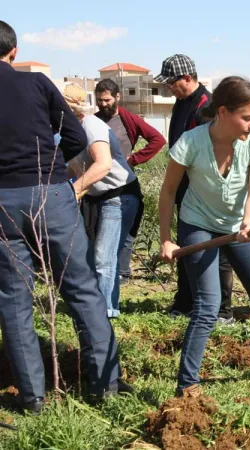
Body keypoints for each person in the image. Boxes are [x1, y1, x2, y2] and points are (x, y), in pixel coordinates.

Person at [0, 20, 126, 413]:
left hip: (2, 201)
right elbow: (75, 137)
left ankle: (34, 398)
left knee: (14, 298)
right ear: (14, 51)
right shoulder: (37, 84)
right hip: (52, 194)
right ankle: (104, 387)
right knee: (82, 287)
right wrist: (53, 168)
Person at [158, 76, 250, 396]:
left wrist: (248, 222)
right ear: (223, 112)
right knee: (208, 304)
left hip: (240, 225)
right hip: (197, 223)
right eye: (248, 117)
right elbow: (168, 191)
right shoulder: (191, 142)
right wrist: (166, 239)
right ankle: (188, 384)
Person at [154, 54, 235, 324]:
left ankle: (222, 311)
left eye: (171, 83)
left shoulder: (206, 106)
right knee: (187, 246)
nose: (168, 88)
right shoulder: (182, 103)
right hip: (185, 190)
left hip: (204, 192)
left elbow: (214, 152)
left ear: (187, 78)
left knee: (217, 248)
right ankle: (186, 302)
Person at [65, 83, 142, 318]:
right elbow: (72, 167)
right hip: (96, 198)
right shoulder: (69, 130)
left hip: (119, 196)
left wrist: (74, 191)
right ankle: (94, 308)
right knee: (89, 256)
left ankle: (106, 312)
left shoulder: (90, 126)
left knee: (104, 257)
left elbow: (103, 164)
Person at [95, 78, 166, 285]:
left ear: (117, 97)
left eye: (107, 99)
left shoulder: (129, 119)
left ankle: (122, 273)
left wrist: (133, 160)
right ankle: (108, 271)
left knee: (125, 229)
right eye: (99, 100)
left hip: (124, 183)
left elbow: (158, 140)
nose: (103, 104)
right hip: (100, 183)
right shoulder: (95, 120)